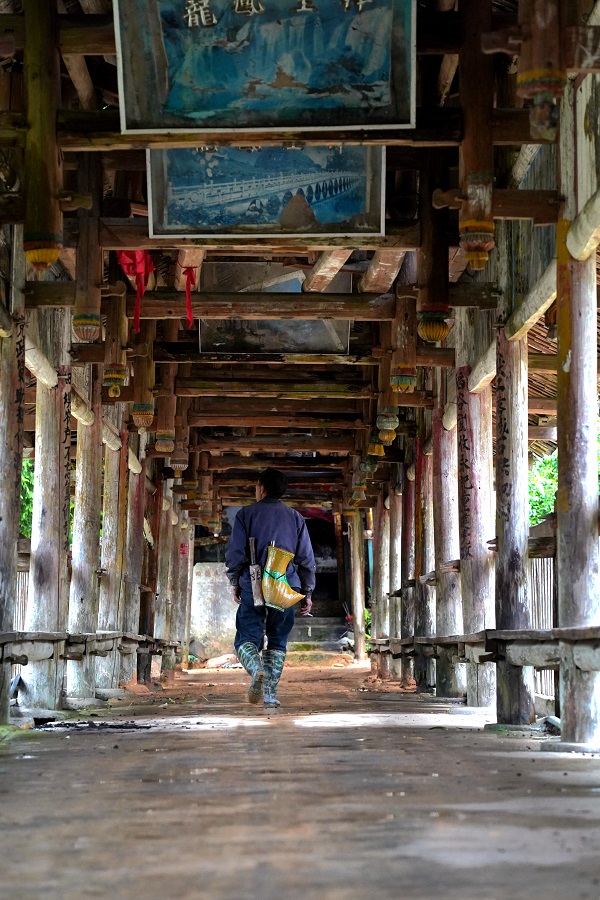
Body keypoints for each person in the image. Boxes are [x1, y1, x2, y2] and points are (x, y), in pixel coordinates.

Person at [225, 467, 316, 708]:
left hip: (252, 584)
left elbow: (235, 553)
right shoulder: (295, 518)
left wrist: (235, 581)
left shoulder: (246, 514)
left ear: (262, 488)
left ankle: (255, 670)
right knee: (277, 641)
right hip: (286, 587)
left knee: (246, 637)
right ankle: (269, 695)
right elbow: (306, 558)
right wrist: (307, 592)